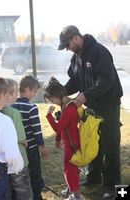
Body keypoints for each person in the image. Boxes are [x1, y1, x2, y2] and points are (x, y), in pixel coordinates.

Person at [58, 25, 123, 200]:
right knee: (92, 141)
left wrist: (86, 95)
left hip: (108, 105)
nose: (67, 48)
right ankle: (94, 177)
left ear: (76, 38)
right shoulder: (76, 58)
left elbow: (107, 80)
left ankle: (112, 185)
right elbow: (75, 80)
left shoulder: (99, 52)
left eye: (67, 44)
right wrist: (62, 93)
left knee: (110, 142)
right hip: (92, 107)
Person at [44, 77, 85, 200]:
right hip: (70, 141)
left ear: (57, 96)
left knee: (69, 170)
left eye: (51, 100)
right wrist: (57, 139)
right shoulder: (66, 105)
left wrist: (48, 116)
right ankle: (70, 191)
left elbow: (58, 127)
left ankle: (76, 196)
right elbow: (63, 127)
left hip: (71, 144)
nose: (53, 102)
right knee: (72, 168)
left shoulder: (68, 108)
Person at [12, 75, 49, 200]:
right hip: (32, 148)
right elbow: (36, 130)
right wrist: (42, 147)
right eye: (34, 92)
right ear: (27, 90)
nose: (34, 95)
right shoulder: (31, 107)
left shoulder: (11, 106)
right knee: (35, 173)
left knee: (20, 173)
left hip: (18, 148)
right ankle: (36, 195)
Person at [2, 78, 33, 200]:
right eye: (15, 93)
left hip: (4, 162)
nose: (18, 95)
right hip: (18, 159)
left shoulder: (0, 112)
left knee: (7, 191)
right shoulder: (14, 112)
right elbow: (21, 137)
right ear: (8, 95)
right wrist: (25, 141)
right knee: (24, 191)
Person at [0, 77, 24, 200]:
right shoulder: (4, 121)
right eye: (6, 94)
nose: (8, 98)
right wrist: (17, 167)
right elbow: (12, 153)